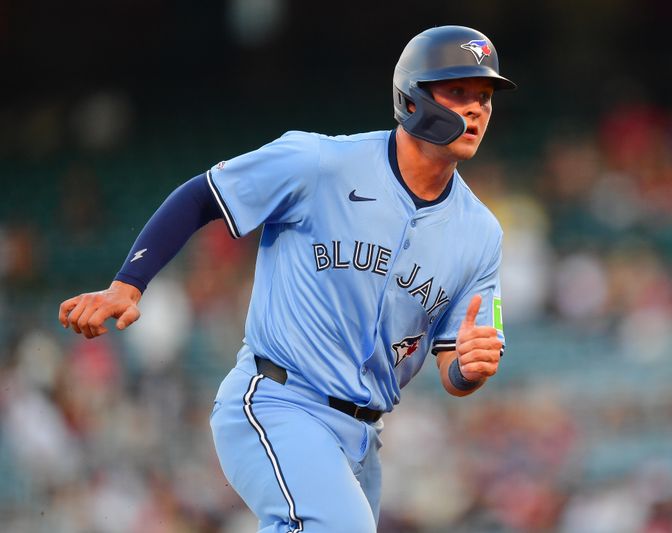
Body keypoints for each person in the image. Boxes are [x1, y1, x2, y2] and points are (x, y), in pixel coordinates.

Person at [59, 25, 515, 533]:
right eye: (458, 92)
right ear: (411, 98)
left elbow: (454, 366)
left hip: (362, 439)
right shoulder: (321, 163)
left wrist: (469, 370)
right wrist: (129, 282)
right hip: (279, 400)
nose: (477, 109)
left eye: (485, 96)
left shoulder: (481, 234)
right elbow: (202, 195)